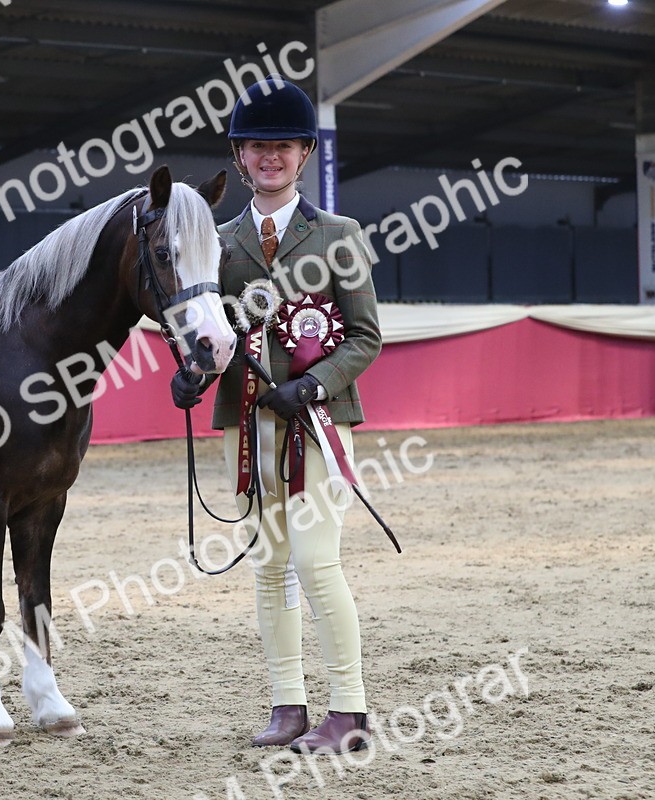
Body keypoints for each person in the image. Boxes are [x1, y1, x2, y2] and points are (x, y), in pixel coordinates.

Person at [170, 75, 381, 755]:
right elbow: (212, 330)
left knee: (318, 563)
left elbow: (365, 336)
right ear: (239, 156)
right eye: (257, 147)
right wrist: (193, 374)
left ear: (304, 154)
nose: (270, 157)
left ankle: (348, 711)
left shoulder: (338, 234)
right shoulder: (217, 242)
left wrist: (314, 386)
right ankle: (287, 705)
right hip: (249, 427)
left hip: (315, 426)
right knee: (271, 566)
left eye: (283, 146)